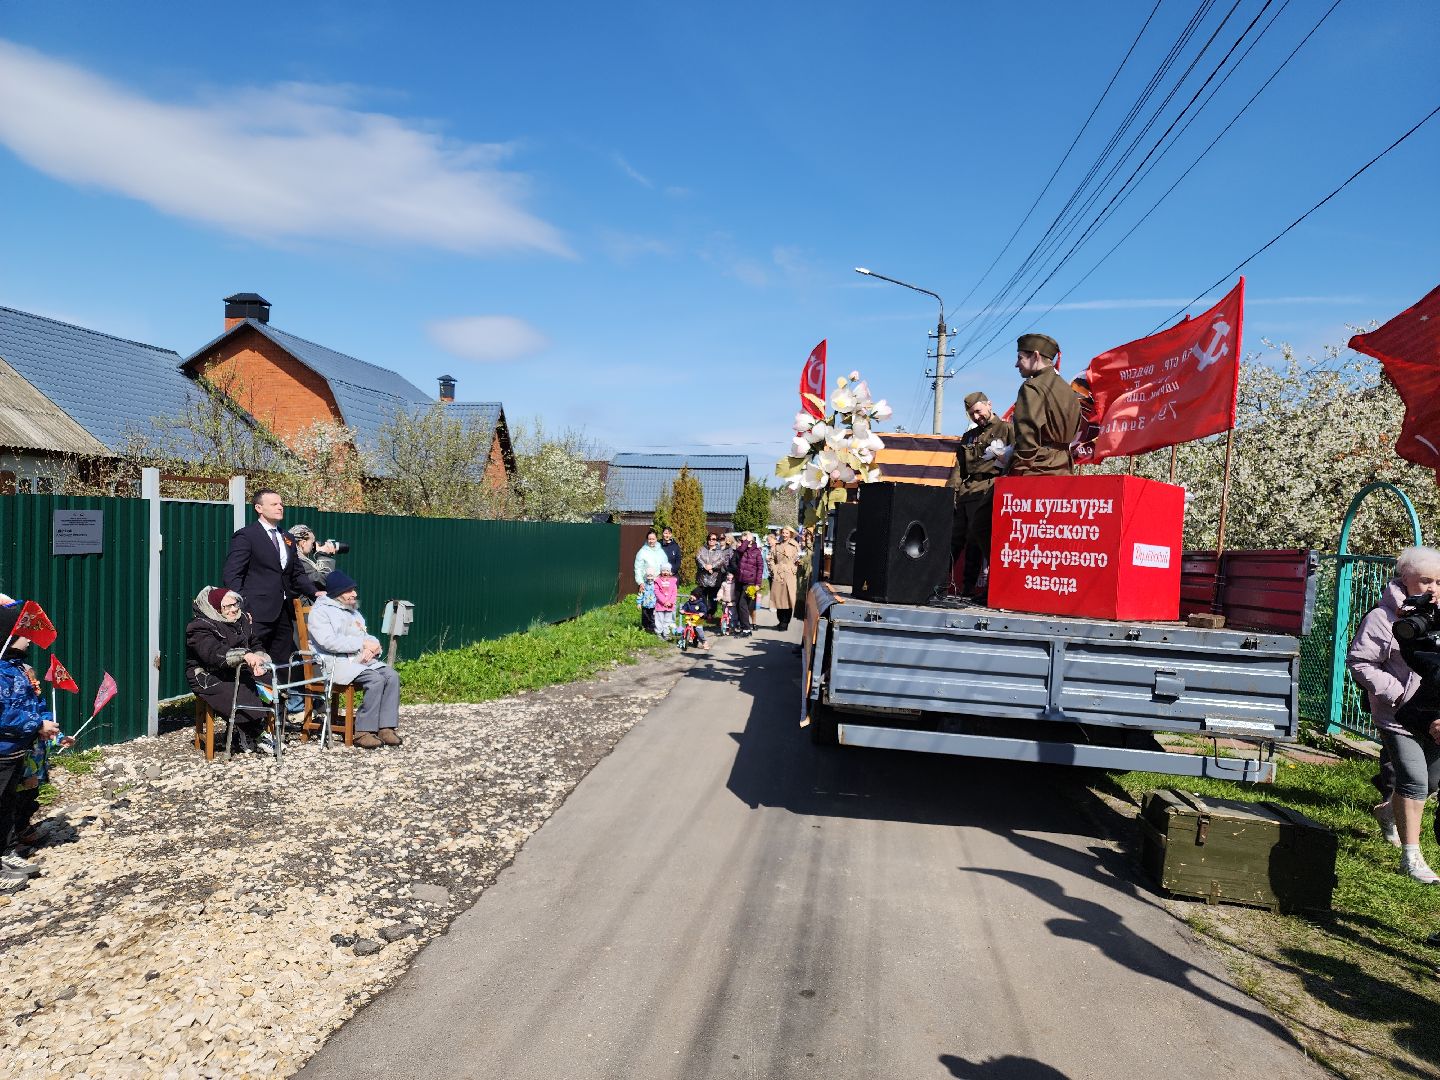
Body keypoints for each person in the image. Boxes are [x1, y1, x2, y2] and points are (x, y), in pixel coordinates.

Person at [1347, 545, 1440, 883]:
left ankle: (1388, 813)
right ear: (1406, 579)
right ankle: (1412, 857)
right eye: (1425, 580)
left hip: (1435, 718)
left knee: (1430, 783)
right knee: (1414, 780)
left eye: (1439, 582)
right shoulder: (1383, 617)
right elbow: (1360, 663)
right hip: (1398, 715)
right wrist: (1399, 693)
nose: (1433, 589)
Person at [0, 600, 59, 891]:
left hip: (17, 750)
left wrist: (44, 723)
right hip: (2, 749)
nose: (30, 638)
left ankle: (7, 851)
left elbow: (35, 702)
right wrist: (36, 725)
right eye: (24, 634)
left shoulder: (21, 669)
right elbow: (3, 714)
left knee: (7, 804)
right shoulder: (1, 672)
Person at [307, 571, 403, 750]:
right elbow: (328, 642)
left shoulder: (353, 611)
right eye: (349, 590)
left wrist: (373, 647)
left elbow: (365, 635)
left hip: (359, 660)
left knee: (391, 675)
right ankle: (363, 732)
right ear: (337, 592)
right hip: (334, 662)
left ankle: (385, 727)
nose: (354, 594)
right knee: (375, 680)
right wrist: (361, 645)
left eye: (354, 590)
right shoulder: (320, 612)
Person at [223, 489, 317, 670]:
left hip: (283, 611)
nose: (280, 507)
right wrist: (242, 607)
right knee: (255, 663)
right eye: (274, 504)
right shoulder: (247, 536)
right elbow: (232, 574)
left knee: (285, 663)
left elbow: (296, 574)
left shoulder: (287, 538)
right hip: (255, 612)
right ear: (259, 508)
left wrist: (315, 592)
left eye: (281, 503)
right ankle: (254, 698)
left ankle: (283, 698)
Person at [185, 587, 273, 754]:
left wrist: (259, 660)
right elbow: (213, 654)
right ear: (216, 607)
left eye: (236, 605)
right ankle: (257, 733)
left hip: (239, 670)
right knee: (240, 693)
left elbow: (255, 643)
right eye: (227, 606)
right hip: (207, 674)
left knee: (270, 686)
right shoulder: (199, 627)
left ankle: (247, 728)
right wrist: (244, 655)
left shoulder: (242, 620)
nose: (233, 609)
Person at [947, 391, 1015, 598]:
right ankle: (940, 584)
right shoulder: (969, 436)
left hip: (989, 489)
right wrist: (950, 493)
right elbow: (958, 468)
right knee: (954, 539)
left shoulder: (1007, 430)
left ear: (989, 405)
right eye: (971, 414)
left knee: (977, 541)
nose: (976, 417)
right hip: (966, 491)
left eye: (978, 411)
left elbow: (1015, 463)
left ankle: (970, 589)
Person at [1007, 333, 1082, 477]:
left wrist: (1015, 470)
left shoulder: (1032, 387)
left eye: (1020, 358)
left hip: (1036, 471)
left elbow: (1027, 437)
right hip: (1064, 469)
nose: (1016, 364)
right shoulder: (1069, 391)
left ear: (1035, 356)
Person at [287, 525, 340, 591]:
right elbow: (322, 581)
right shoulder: (299, 562)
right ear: (303, 543)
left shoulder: (290, 557)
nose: (313, 547)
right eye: (312, 543)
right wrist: (324, 555)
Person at [769, 527, 802, 631]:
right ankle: (780, 621)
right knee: (778, 599)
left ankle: (785, 623)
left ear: (791, 534)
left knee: (788, 599)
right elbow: (771, 559)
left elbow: (799, 559)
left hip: (789, 575)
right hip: (778, 574)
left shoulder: (795, 545)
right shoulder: (777, 545)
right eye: (783, 533)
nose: (784, 535)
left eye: (787, 533)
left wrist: (793, 569)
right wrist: (773, 569)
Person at [734, 532, 764, 635]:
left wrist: (758, 584)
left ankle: (747, 629)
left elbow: (760, 569)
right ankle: (743, 627)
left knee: (743, 605)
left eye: (744, 541)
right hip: (739, 580)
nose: (742, 543)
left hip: (750, 582)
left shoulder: (757, 552)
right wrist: (746, 541)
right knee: (738, 604)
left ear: (751, 541)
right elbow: (740, 550)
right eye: (742, 541)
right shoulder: (742, 550)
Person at [696, 533, 728, 611]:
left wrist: (712, 566)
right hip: (703, 577)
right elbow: (698, 558)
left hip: (714, 577)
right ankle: (703, 611)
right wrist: (705, 566)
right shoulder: (702, 549)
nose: (711, 540)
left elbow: (721, 561)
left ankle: (711, 612)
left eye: (713, 539)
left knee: (712, 596)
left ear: (716, 541)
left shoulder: (720, 551)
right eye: (709, 539)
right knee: (703, 595)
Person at [653, 564, 679, 639]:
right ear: (661, 572)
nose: (665, 572)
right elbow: (657, 592)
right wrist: (664, 601)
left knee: (667, 620)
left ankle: (666, 633)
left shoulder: (673, 581)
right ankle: (659, 633)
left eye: (667, 571)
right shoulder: (657, 581)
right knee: (659, 620)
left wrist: (670, 602)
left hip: (670, 605)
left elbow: (674, 593)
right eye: (663, 570)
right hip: (660, 605)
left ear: (670, 572)